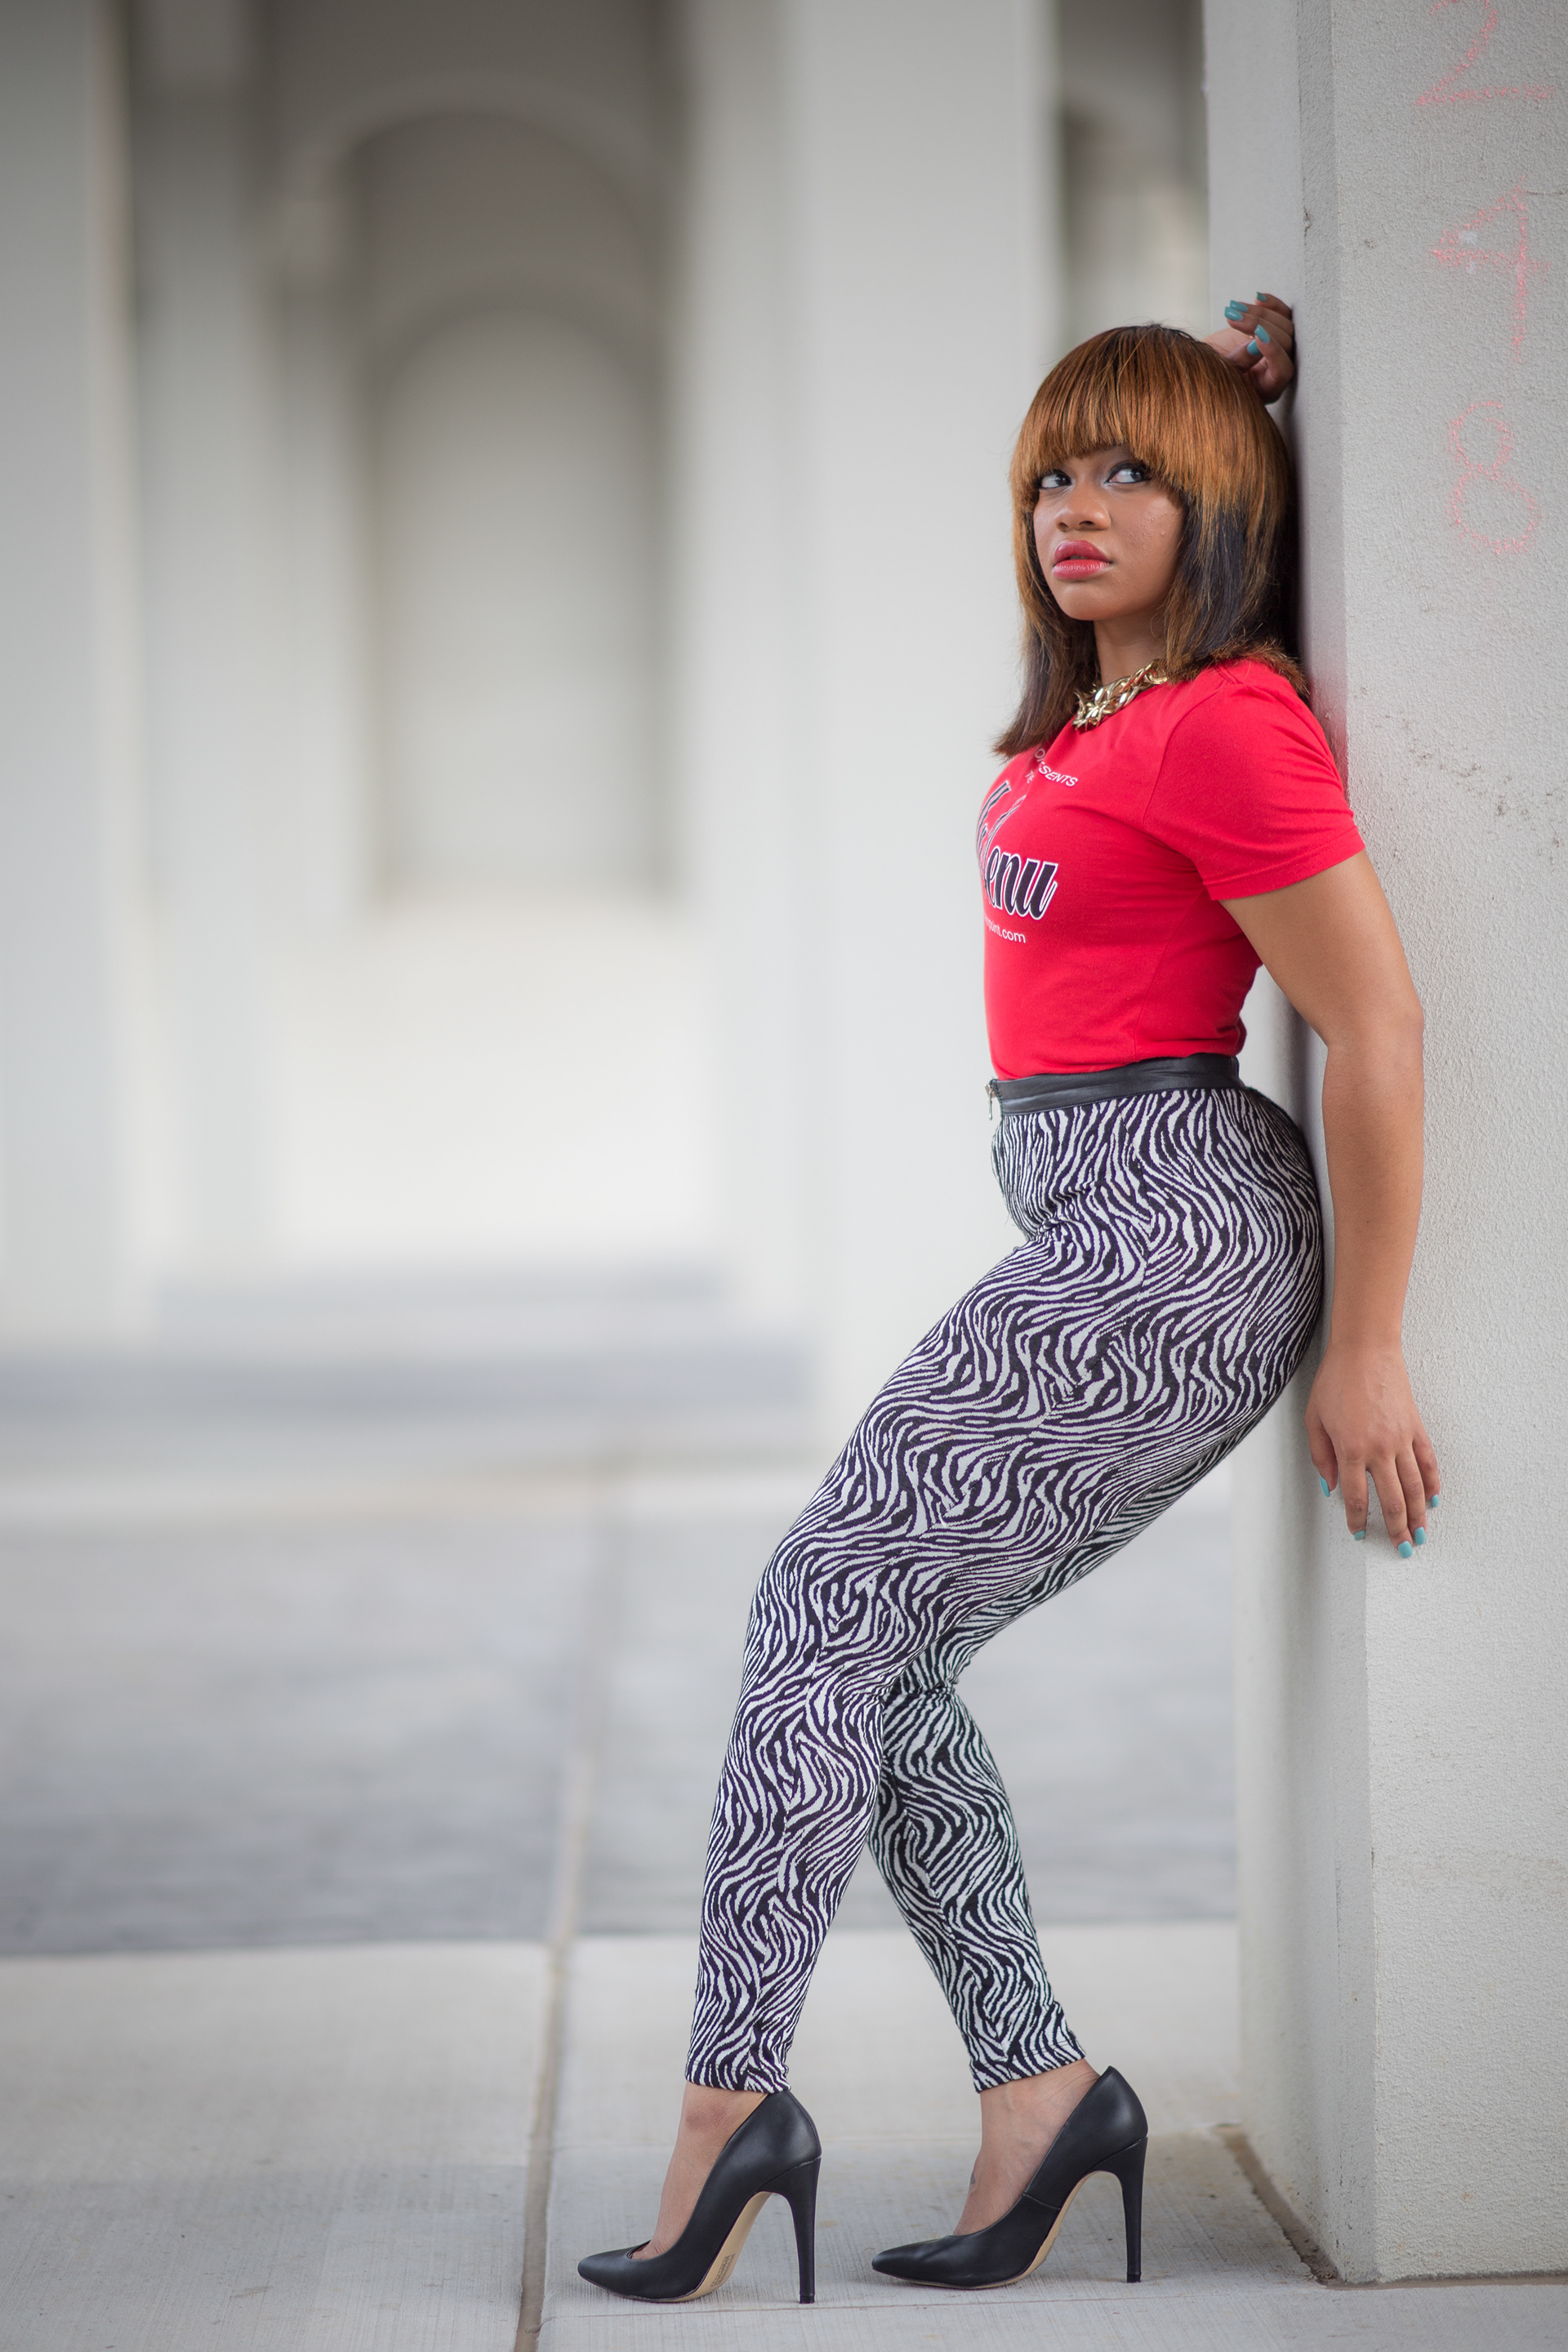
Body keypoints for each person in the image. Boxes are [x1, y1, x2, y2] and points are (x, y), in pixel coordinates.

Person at [579, 295, 1441, 2306]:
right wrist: (1210, 390)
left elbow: (1379, 1023)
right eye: (1056, 470)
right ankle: (1042, 2094)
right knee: (878, 1656)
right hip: (1083, 1212)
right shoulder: (1104, 719)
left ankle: (724, 2118)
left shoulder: (1228, 721)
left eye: (1133, 473)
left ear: (1217, 505)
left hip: (1175, 1230)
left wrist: (1371, 1340)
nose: (1077, 504)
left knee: (818, 1606)